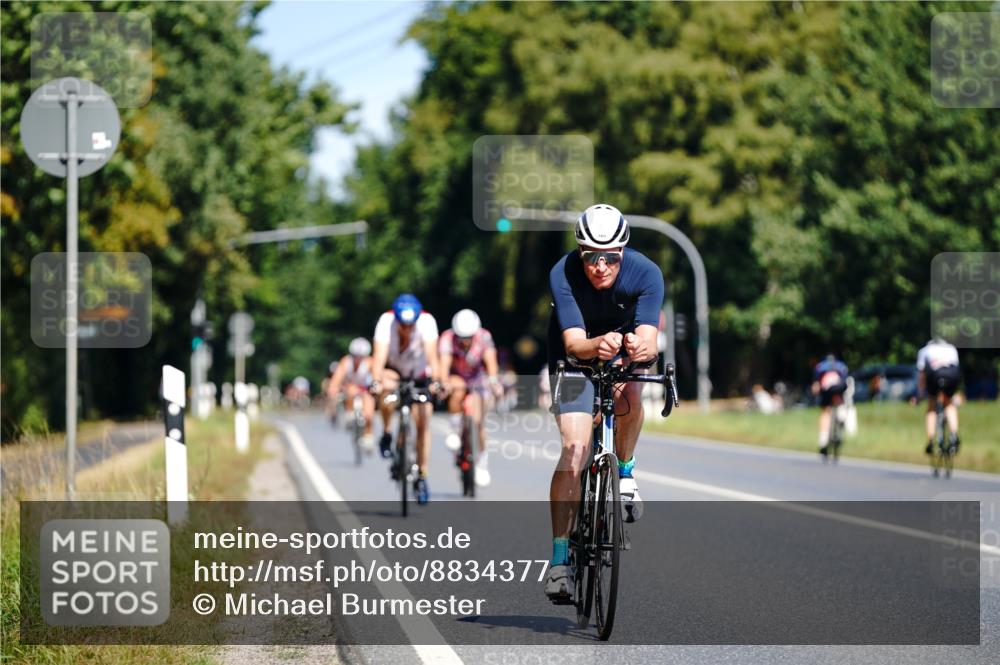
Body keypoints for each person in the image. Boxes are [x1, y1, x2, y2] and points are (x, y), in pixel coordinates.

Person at [543, 203, 664, 602]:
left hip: (619, 356)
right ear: (580, 253)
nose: (600, 266)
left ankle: (625, 473)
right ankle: (560, 561)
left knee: (632, 391)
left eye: (610, 257)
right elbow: (576, 344)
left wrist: (638, 347)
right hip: (574, 359)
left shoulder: (646, 273)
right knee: (575, 450)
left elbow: (648, 342)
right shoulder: (563, 272)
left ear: (622, 252)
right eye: (591, 256)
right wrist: (599, 345)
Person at [369, 293, 443, 505]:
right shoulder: (386, 322)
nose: (407, 329)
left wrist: (436, 381)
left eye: (411, 325)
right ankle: (386, 432)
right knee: (385, 390)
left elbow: (432, 354)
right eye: (403, 325)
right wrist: (375, 380)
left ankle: (422, 476)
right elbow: (379, 356)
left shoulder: (427, 322)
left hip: (419, 374)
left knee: (423, 423)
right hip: (394, 371)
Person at [439, 309, 502, 487]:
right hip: (456, 376)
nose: (465, 341)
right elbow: (444, 364)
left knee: (477, 421)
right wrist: (444, 382)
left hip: (477, 379)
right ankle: (454, 431)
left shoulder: (484, 337)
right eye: (461, 337)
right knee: (456, 390)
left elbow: (491, 362)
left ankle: (482, 464)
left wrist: (494, 381)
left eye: (468, 337)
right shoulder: (447, 338)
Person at [325, 337, 376, 451]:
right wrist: (332, 390)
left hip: (365, 389)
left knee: (369, 414)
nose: (358, 359)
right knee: (350, 391)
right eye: (355, 356)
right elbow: (336, 379)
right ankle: (349, 413)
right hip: (350, 388)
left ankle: (368, 435)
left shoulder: (370, 363)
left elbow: (376, 379)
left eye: (361, 356)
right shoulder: (346, 362)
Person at [916, 336, 961, 454]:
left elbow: (922, 374)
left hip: (934, 374)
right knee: (949, 404)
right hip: (951, 375)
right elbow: (956, 369)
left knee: (931, 407)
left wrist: (920, 394)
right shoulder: (951, 348)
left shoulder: (925, 350)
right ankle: (954, 435)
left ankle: (931, 441)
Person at [811, 354, 849, 458]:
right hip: (840, 387)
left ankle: (823, 441)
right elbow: (845, 381)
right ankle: (841, 416)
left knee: (825, 412)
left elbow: (816, 386)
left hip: (827, 389)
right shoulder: (841, 365)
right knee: (840, 401)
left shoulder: (820, 366)